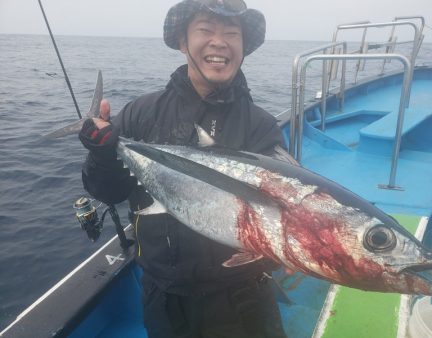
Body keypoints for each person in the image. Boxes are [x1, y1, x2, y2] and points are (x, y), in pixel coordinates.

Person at [79, 0, 288, 337]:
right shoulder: (141, 113)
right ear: (182, 42)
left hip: (243, 295)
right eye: (206, 30)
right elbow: (107, 191)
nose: (219, 42)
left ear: (243, 47)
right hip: (164, 296)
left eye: (232, 34)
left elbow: (278, 206)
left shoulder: (261, 126)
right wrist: (101, 154)